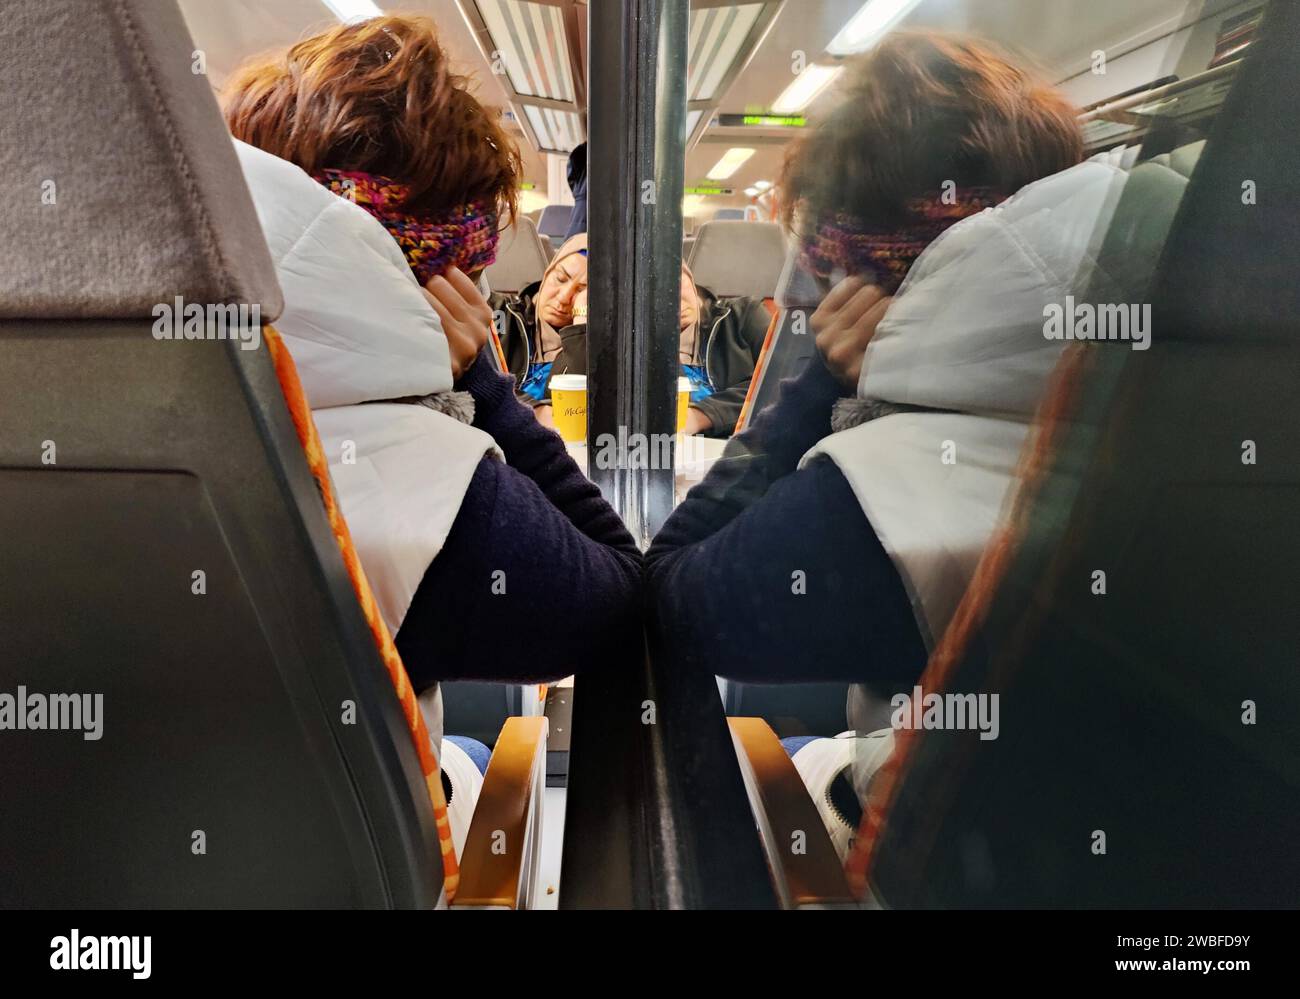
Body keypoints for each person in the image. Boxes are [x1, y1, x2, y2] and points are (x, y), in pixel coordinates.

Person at [646, 33, 1133, 722]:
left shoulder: (877, 503)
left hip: (915, 815)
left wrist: (828, 381)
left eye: (823, 273)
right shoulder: (1170, 382)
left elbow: (666, 595)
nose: (805, 302)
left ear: (883, 281)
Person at [221, 16, 640, 767]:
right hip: (360, 869)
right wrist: (476, 375)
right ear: (430, 279)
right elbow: (617, 595)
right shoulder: (445, 502)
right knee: (477, 760)